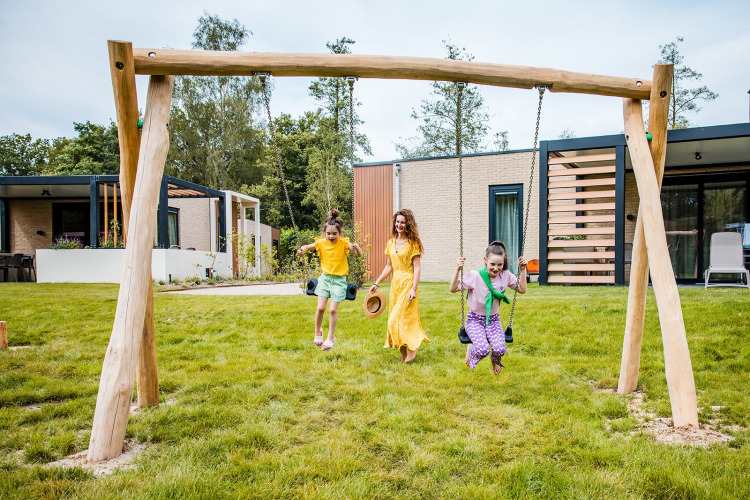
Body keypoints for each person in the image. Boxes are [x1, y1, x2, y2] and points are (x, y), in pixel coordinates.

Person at [450, 241, 527, 375]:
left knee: (500, 349)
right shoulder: (476, 276)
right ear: (485, 261)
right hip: (474, 319)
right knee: (482, 350)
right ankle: (471, 349)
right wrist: (457, 269)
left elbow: (522, 289)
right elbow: (453, 288)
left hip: (493, 320)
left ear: (503, 264)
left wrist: (522, 270)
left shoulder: (506, 275)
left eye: (499, 265)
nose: (496, 268)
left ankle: (495, 359)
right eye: (492, 264)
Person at [298, 209, 362, 351]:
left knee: (332, 310)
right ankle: (317, 331)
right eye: (328, 233)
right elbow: (307, 247)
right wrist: (302, 249)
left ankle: (331, 337)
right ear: (324, 233)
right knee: (320, 308)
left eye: (334, 234)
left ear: (340, 233)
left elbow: (358, 255)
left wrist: (357, 248)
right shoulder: (321, 243)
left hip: (339, 281)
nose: (331, 236)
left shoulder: (344, 243)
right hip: (325, 279)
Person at [370, 209, 429, 363]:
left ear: (408, 224)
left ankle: (413, 348)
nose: (399, 225)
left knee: (398, 319)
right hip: (395, 284)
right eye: (397, 222)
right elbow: (389, 266)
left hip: (408, 282)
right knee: (399, 320)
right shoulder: (391, 243)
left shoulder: (412, 244)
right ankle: (404, 357)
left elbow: (417, 267)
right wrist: (377, 282)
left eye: (402, 222)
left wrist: (413, 289)